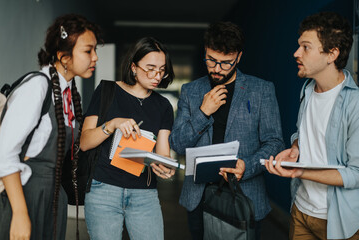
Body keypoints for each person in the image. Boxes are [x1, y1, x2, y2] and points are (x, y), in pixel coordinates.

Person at [169, 21, 285, 239]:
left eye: (226, 63)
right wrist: (203, 112)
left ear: (238, 57)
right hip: (199, 197)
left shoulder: (261, 90)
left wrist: (246, 166)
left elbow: (275, 143)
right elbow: (177, 144)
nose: (217, 69)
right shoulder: (190, 91)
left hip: (245, 195)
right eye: (211, 60)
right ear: (205, 51)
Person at [0, 14, 101, 240]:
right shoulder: (37, 87)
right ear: (64, 56)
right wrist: (20, 213)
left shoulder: (69, 94)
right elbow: (5, 155)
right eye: (88, 51)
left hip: (54, 199)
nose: (95, 57)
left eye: (95, 50)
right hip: (26, 195)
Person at [264, 12, 359, 240]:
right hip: (301, 211)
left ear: (332, 54)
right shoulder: (307, 89)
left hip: (339, 220)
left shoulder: (355, 104)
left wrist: (301, 172)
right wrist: (296, 148)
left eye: (306, 47)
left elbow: (355, 174)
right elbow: (304, 133)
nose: (296, 53)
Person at [81, 37, 176, 240]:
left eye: (161, 70)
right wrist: (112, 124)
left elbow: (162, 152)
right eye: (150, 68)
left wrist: (164, 166)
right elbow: (85, 142)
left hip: (145, 194)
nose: (156, 75)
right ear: (133, 67)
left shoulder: (164, 106)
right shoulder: (107, 91)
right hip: (103, 190)